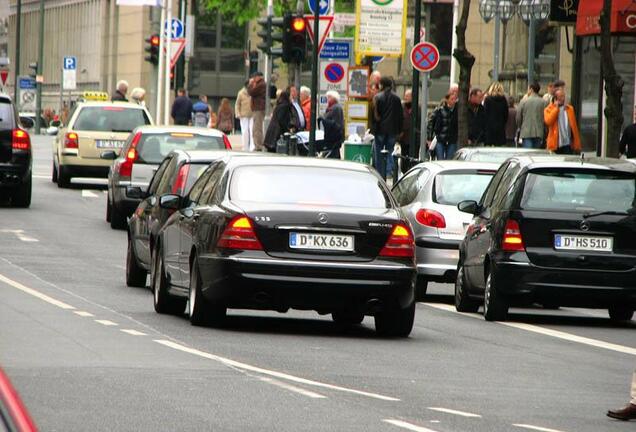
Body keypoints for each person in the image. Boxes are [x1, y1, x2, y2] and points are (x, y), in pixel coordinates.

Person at [372, 77, 403, 177]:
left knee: (379, 152)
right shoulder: (397, 98)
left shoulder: (378, 97)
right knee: (390, 150)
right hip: (393, 130)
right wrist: (399, 130)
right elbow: (400, 116)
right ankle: (389, 171)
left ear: (382, 85)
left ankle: (380, 173)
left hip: (380, 129)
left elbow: (376, 116)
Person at [544, 88, 581, 154]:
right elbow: (548, 121)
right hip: (555, 144)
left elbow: (574, 127)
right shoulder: (549, 109)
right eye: (561, 96)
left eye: (564, 96)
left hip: (567, 143)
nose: (563, 98)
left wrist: (577, 144)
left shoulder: (569, 109)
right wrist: (556, 109)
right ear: (555, 98)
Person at [427, 91, 458, 160]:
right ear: (447, 100)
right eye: (452, 99)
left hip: (452, 140)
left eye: (455, 99)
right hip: (441, 139)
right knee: (440, 159)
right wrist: (429, 138)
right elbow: (430, 123)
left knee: (449, 160)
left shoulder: (457, 111)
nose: (454, 101)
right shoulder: (439, 110)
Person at [517, 82, 547, 149]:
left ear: (531, 89)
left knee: (527, 153)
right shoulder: (544, 102)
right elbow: (546, 117)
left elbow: (518, 116)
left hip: (526, 131)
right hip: (539, 131)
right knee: (536, 154)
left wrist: (520, 126)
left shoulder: (523, 101)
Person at [319, 91, 345, 159]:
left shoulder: (336, 108)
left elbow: (337, 124)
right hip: (330, 137)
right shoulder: (330, 108)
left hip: (334, 138)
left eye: (329, 97)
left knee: (333, 155)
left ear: (334, 98)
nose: (327, 99)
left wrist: (324, 120)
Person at [483, 82, 509, 147]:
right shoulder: (503, 100)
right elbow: (506, 115)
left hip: (489, 129)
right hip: (500, 129)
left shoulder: (488, 99)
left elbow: (485, 114)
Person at [248, 72, 267, 151]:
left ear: (259, 77)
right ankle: (258, 144)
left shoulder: (261, 84)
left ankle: (258, 146)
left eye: (255, 77)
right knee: (256, 128)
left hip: (259, 108)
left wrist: (250, 84)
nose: (253, 79)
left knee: (257, 128)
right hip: (257, 108)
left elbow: (251, 92)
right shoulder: (260, 84)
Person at [398, 89, 415, 173]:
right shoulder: (401, 107)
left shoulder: (417, 107)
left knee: (412, 157)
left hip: (414, 137)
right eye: (405, 96)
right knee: (403, 156)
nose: (405, 98)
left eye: (408, 96)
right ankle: (404, 171)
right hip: (404, 137)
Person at [235, 81, 253, 151]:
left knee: (252, 131)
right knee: (245, 131)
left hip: (252, 114)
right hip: (243, 115)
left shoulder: (253, 92)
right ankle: (245, 147)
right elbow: (237, 104)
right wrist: (238, 113)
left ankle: (252, 147)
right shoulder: (241, 93)